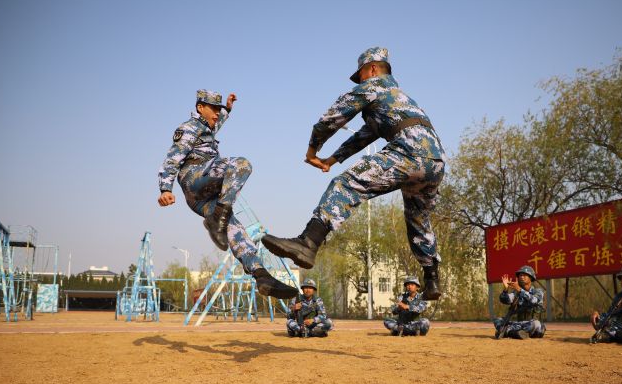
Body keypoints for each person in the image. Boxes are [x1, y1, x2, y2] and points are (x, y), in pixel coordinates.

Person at [262, 47, 447, 299]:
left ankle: (308, 242)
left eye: (359, 74)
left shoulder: (372, 86)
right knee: (418, 218)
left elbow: (332, 118)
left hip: (409, 152)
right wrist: (333, 159)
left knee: (346, 184)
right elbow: (364, 135)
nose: (359, 80)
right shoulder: (398, 97)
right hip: (435, 161)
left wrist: (312, 151)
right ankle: (432, 278)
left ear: (371, 68)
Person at [157, 89, 297, 299]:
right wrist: (165, 188)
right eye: (213, 109)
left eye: (218, 110)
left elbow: (216, 122)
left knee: (236, 231)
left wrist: (228, 109)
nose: (216, 114)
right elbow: (172, 159)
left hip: (203, 198)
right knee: (241, 165)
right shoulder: (188, 128)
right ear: (200, 108)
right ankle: (218, 220)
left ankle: (261, 275)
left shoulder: (207, 126)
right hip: (194, 178)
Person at [493, 265, 546, 340]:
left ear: (531, 277)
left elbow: (534, 300)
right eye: (520, 275)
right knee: (498, 320)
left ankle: (508, 332)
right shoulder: (516, 293)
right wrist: (505, 290)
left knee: (537, 325)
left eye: (524, 275)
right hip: (519, 324)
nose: (521, 277)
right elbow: (505, 300)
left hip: (531, 324)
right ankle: (516, 333)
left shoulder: (538, 291)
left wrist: (520, 290)